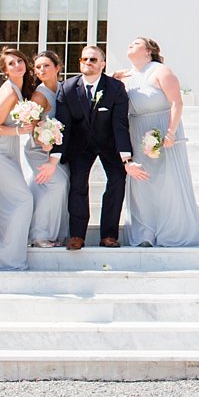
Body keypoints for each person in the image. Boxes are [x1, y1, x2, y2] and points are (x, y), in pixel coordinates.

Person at [52, 45, 146, 250]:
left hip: (109, 143)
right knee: (78, 185)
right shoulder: (67, 88)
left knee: (117, 182)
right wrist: (55, 155)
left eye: (93, 60)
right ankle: (77, 235)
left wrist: (126, 158)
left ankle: (109, 235)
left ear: (102, 64)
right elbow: (63, 125)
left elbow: (120, 124)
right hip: (80, 145)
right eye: (84, 59)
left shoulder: (115, 88)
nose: (88, 63)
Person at [115, 37, 199, 248]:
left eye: (136, 43)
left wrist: (170, 132)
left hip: (161, 128)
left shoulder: (160, 71)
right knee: (141, 184)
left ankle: (171, 231)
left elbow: (177, 102)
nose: (130, 44)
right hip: (135, 131)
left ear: (148, 51)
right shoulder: (124, 75)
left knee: (166, 182)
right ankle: (145, 232)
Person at [0, 48, 36, 269]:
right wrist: (20, 131)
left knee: (3, 205)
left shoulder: (20, 90)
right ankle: (9, 261)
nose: (17, 66)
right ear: (4, 70)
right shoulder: (10, 92)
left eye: (19, 61)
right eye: (10, 64)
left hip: (8, 151)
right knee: (23, 200)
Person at [25, 50, 68, 248]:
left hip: (56, 150)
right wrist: (44, 141)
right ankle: (39, 235)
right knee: (56, 184)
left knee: (61, 185)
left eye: (46, 66)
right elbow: (32, 127)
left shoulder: (63, 87)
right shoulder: (39, 95)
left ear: (58, 68)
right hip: (39, 149)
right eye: (38, 67)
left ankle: (54, 234)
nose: (41, 70)